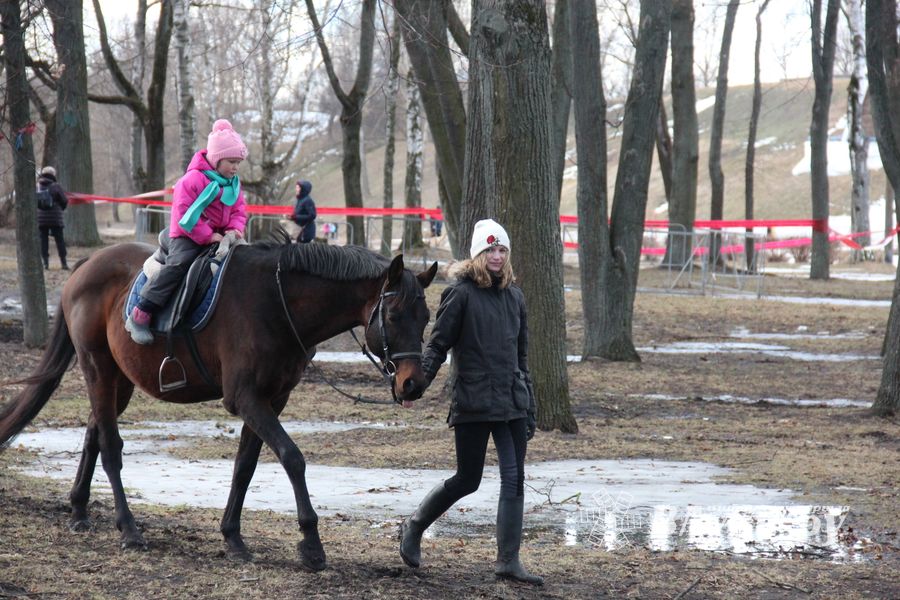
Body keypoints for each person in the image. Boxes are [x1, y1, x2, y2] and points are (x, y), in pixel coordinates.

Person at [399, 218, 542, 586]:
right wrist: (418, 384)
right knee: (468, 479)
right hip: (474, 400)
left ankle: (508, 561)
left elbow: (521, 356)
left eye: (502, 250)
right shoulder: (459, 293)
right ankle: (414, 526)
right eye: (490, 249)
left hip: (511, 400)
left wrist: (529, 403)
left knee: (515, 480)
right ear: (478, 253)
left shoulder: (515, 297)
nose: (497, 256)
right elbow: (438, 345)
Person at [126, 119, 248, 345]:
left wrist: (235, 229)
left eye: (238, 163)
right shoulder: (191, 180)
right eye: (231, 161)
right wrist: (208, 235)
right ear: (216, 158)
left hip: (223, 236)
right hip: (189, 235)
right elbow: (184, 214)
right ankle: (142, 311)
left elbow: (239, 210)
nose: (235, 168)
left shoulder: (233, 184)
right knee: (178, 265)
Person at [36, 166, 69, 270]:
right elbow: (64, 200)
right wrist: (61, 208)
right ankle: (63, 263)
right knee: (60, 240)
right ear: (53, 174)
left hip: (41, 218)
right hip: (55, 218)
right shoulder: (56, 186)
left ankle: (45, 263)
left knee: (43, 241)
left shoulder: (37, 186)